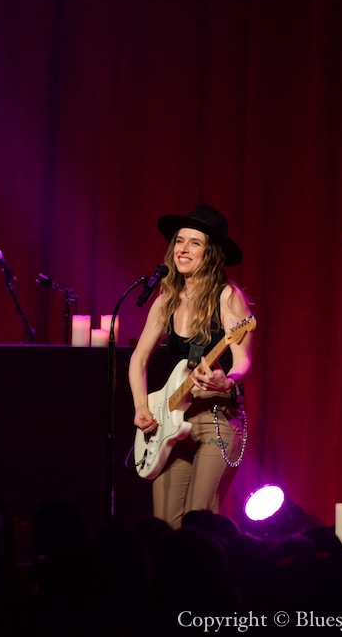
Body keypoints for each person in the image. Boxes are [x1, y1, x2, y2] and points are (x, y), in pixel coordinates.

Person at [129, 204, 254, 529]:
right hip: (171, 422)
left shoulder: (228, 297)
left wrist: (225, 382)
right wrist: (141, 406)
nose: (183, 249)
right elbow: (138, 359)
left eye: (194, 243)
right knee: (165, 524)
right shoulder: (165, 299)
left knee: (200, 524)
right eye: (179, 242)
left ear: (210, 253)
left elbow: (242, 362)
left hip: (217, 420)